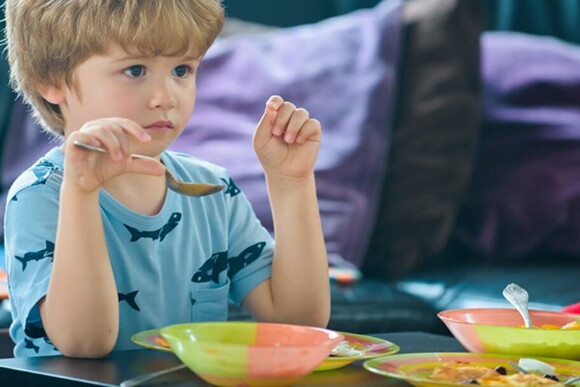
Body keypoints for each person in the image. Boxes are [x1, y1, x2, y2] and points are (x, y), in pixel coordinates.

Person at [3, 0, 330, 358]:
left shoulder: (214, 190)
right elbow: (85, 343)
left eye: (182, 70)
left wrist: (291, 183)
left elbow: (297, 321)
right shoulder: (38, 196)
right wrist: (81, 193)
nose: (165, 98)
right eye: (135, 70)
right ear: (51, 81)